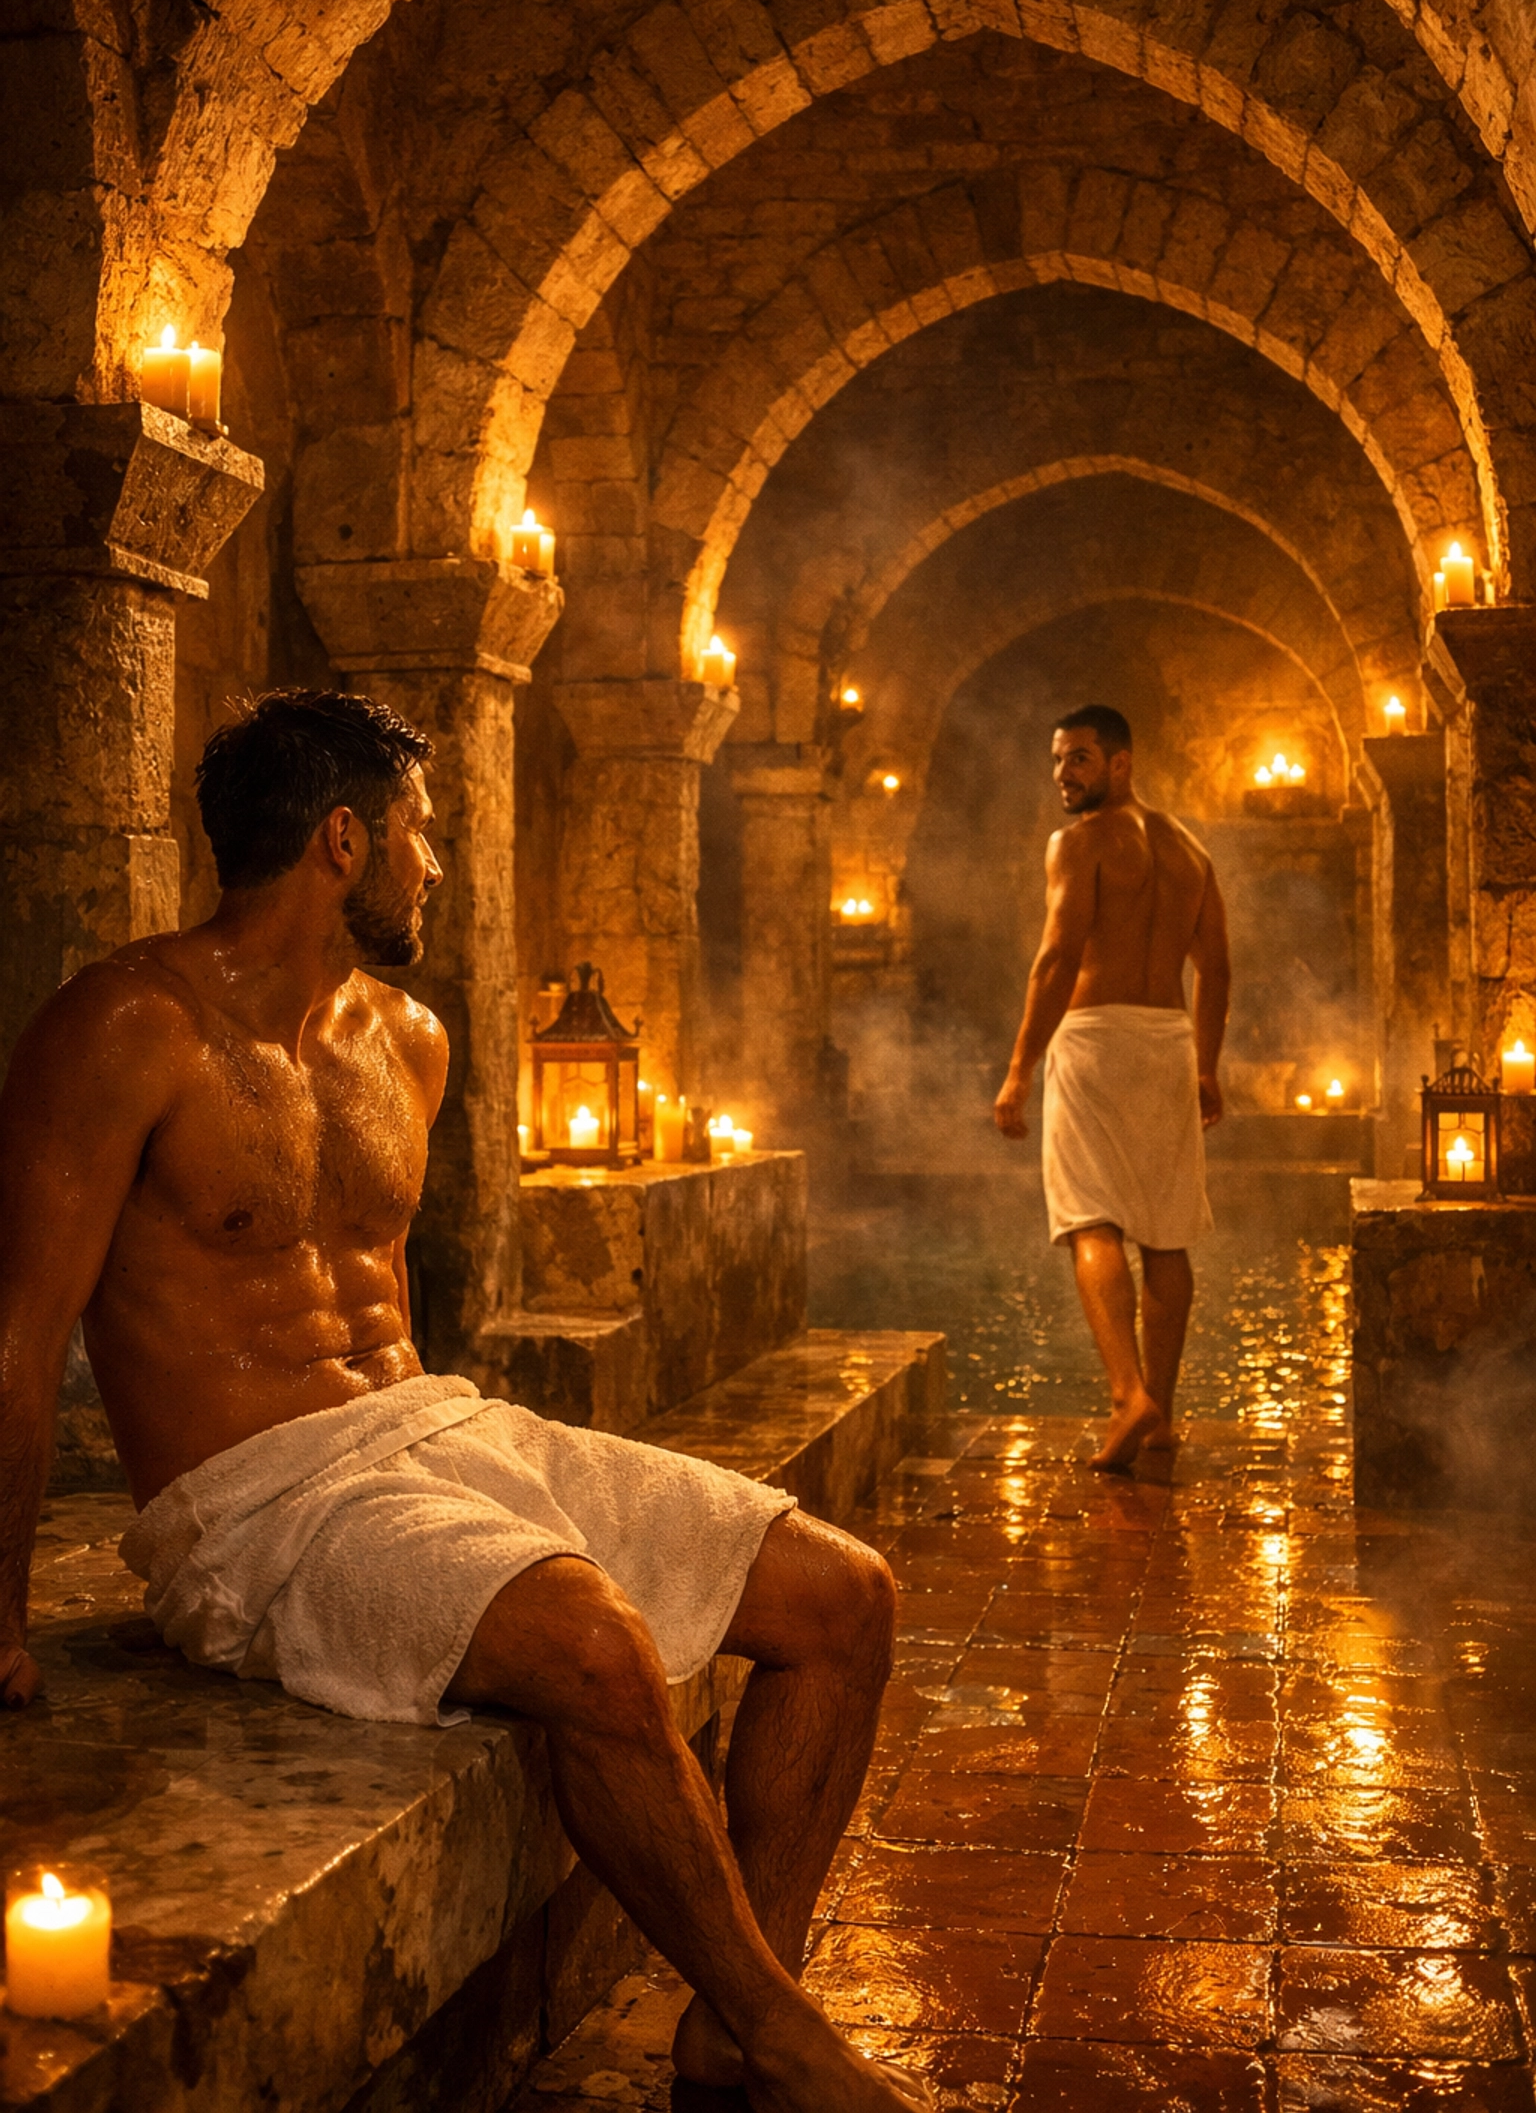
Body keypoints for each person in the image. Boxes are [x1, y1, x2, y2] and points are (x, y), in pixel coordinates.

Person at [0, 689, 930, 2113]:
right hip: (252, 1506)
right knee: (601, 1652)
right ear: (345, 840)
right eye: (423, 837)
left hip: (426, 1431)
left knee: (846, 1599)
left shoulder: (408, 1042)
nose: (437, 869)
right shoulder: (127, 1028)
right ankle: (787, 2037)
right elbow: (21, 1330)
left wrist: (473, 1486)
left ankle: (741, 2026)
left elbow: (382, 1307)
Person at [993, 705, 1230, 1471]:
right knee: (1166, 1232)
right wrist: (1205, 1063)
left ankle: (1130, 1394)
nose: (1064, 774)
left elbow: (1057, 956)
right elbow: (1216, 967)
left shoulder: (1082, 842)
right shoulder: (1191, 851)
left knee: (1092, 1222)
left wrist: (1018, 1070)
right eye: (1059, 760)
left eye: (1081, 759)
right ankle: (1161, 1412)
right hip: (1167, 1040)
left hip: (1095, 1040)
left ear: (1121, 763)